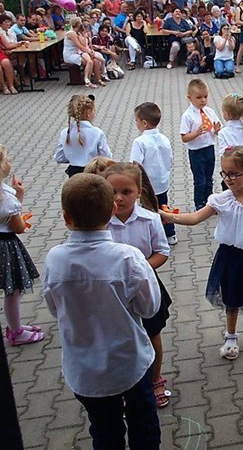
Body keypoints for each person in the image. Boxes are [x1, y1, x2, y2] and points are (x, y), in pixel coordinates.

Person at [43, 173, 161, 449]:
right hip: (129, 362)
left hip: (84, 368)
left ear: (65, 217)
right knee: (143, 422)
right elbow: (149, 307)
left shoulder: (55, 259)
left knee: (104, 430)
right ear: (112, 211)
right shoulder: (128, 257)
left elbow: (53, 307)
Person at [159, 147, 243, 359]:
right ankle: (231, 336)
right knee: (232, 300)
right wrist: (169, 218)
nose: (228, 178)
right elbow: (196, 218)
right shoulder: (222, 200)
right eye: (224, 173)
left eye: (233, 173)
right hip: (231, 257)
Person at [102, 163, 172, 409]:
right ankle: (121, 381)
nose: (119, 198)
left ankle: (155, 380)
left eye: (126, 192)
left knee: (152, 333)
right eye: (112, 192)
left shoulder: (150, 219)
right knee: (118, 334)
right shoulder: (101, 222)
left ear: (139, 192)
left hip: (145, 286)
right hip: (112, 291)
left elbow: (162, 252)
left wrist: (139, 270)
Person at [0, 145, 44, 346]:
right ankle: (16, 331)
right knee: (13, 289)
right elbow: (18, 227)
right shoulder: (6, 199)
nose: (10, 163)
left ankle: (15, 324)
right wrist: (20, 195)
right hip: (6, 247)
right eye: (6, 160)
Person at [131, 102, 176, 245]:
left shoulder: (139, 142)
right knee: (164, 205)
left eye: (136, 120)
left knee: (148, 210)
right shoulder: (164, 138)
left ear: (144, 123)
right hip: (162, 181)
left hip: (147, 183)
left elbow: (135, 165)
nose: (136, 123)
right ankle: (170, 234)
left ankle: (151, 237)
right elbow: (170, 159)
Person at [180, 79, 222, 210]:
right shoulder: (188, 116)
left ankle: (209, 202)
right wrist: (196, 133)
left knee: (209, 179)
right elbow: (184, 137)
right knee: (200, 180)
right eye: (198, 97)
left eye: (205, 97)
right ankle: (199, 204)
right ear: (189, 98)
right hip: (196, 152)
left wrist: (217, 130)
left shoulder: (210, 112)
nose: (203, 100)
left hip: (210, 149)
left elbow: (217, 129)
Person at [54, 94, 112, 177]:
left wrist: (74, 157)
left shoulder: (65, 133)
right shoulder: (97, 133)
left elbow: (59, 158)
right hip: (93, 173)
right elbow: (107, 156)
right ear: (88, 112)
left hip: (74, 174)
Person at [63, 17, 105, 88]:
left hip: (77, 53)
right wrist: (89, 52)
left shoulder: (77, 33)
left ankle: (96, 78)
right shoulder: (71, 33)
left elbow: (83, 44)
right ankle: (88, 79)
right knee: (89, 61)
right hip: (70, 54)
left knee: (95, 60)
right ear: (78, 24)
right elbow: (80, 46)